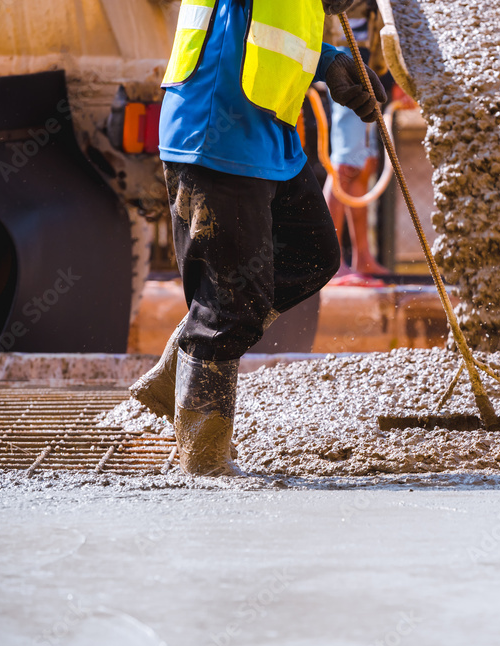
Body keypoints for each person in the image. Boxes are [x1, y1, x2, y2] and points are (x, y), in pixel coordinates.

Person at [129, 0, 387, 475]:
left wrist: (328, 61)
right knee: (230, 308)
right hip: (217, 129)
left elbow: (271, 22)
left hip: (267, 130)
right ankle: (204, 463)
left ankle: (183, 360)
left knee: (312, 254)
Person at [323, 0, 390, 280]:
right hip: (344, 50)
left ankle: (363, 257)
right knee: (345, 164)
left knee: (363, 164)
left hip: (368, 50)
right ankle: (331, 262)